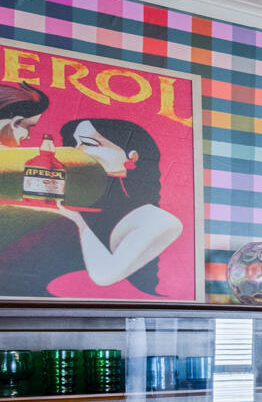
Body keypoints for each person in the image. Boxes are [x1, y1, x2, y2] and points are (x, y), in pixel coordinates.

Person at [0, 117, 182, 296]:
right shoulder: (66, 201)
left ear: (132, 156)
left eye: (89, 143)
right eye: (75, 143)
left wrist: (79, 222)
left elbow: (104, 276)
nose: (79, 150)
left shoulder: (159, 221)